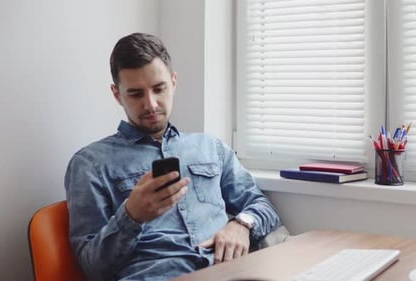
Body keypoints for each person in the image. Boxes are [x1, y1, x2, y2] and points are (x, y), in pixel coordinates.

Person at [64, 32, 282, 281]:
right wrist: (131, 215)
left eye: (159, 89)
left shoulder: (210, 148)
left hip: (227, 273)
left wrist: (242, 225)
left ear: (174, 82)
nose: (151, 104)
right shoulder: (90, 164)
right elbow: (92, 268)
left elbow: (263, 207)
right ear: (117, 94)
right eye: (136, 94)